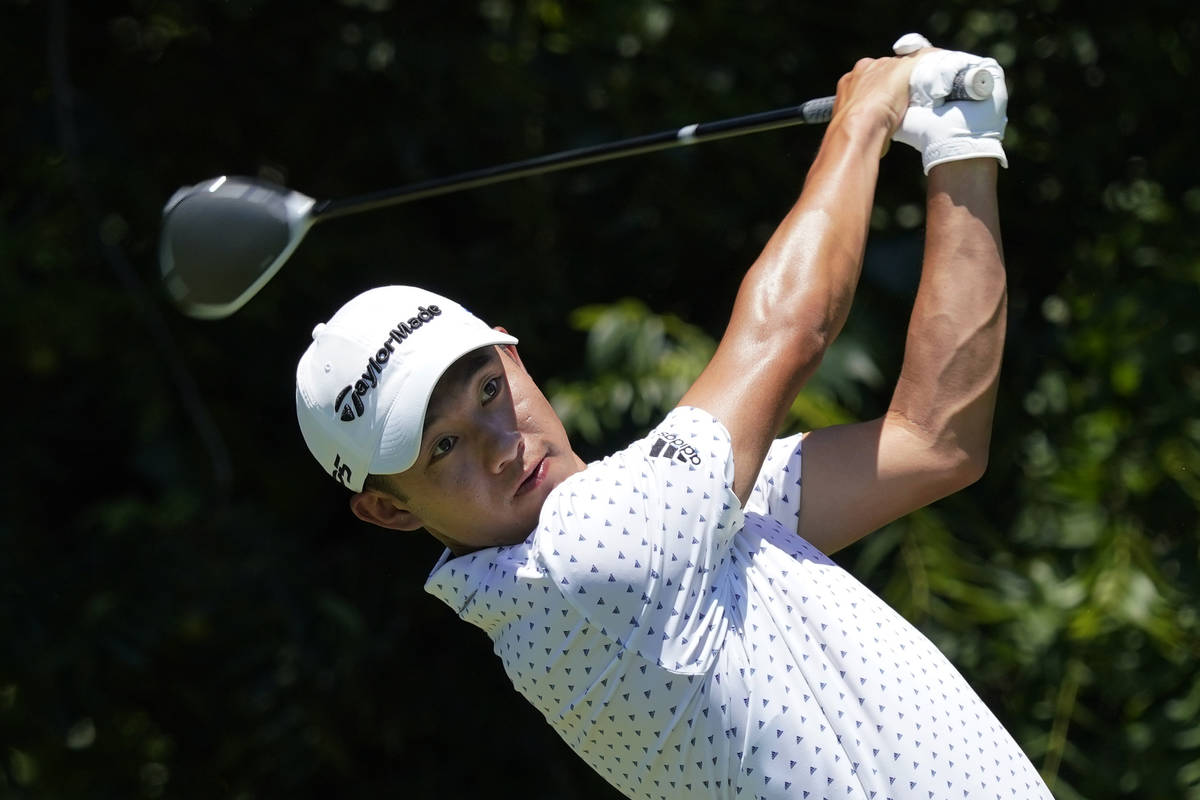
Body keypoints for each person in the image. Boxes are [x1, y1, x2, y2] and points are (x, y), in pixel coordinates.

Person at [294, 34, 1054, 800]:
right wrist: (864, 116)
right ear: (390, 510)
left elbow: (933, 442)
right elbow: (789, 332)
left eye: (490, 389)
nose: (500, 445)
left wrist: (961, 147)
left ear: (513, 355)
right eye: (445, 446)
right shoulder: (589, 559)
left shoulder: (671, 535)